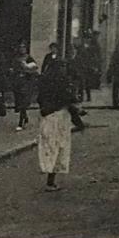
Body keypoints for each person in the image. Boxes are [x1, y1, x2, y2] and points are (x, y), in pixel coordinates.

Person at [37, 58, 86, 191]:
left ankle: (50, 179)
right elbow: (69, 103)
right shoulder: (63, 83)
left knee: (51, 147)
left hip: (48, 117)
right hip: (59, 118)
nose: (64, 69)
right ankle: (50, 181)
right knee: (58, 147)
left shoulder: (45, 82)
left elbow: (40, 100)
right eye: (62, 67)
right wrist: (79, 120)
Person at [13, 43, 39, 131]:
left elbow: (35, 68)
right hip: (18, 82)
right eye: (20, 47)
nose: (22, 49)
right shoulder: (16, 59)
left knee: (24, 102)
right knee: (20, 101)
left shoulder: (29, 58)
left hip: (26, 82)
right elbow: (13, 68)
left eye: (23, 47)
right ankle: (25, 117)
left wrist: (27, 70)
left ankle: (21, 121)